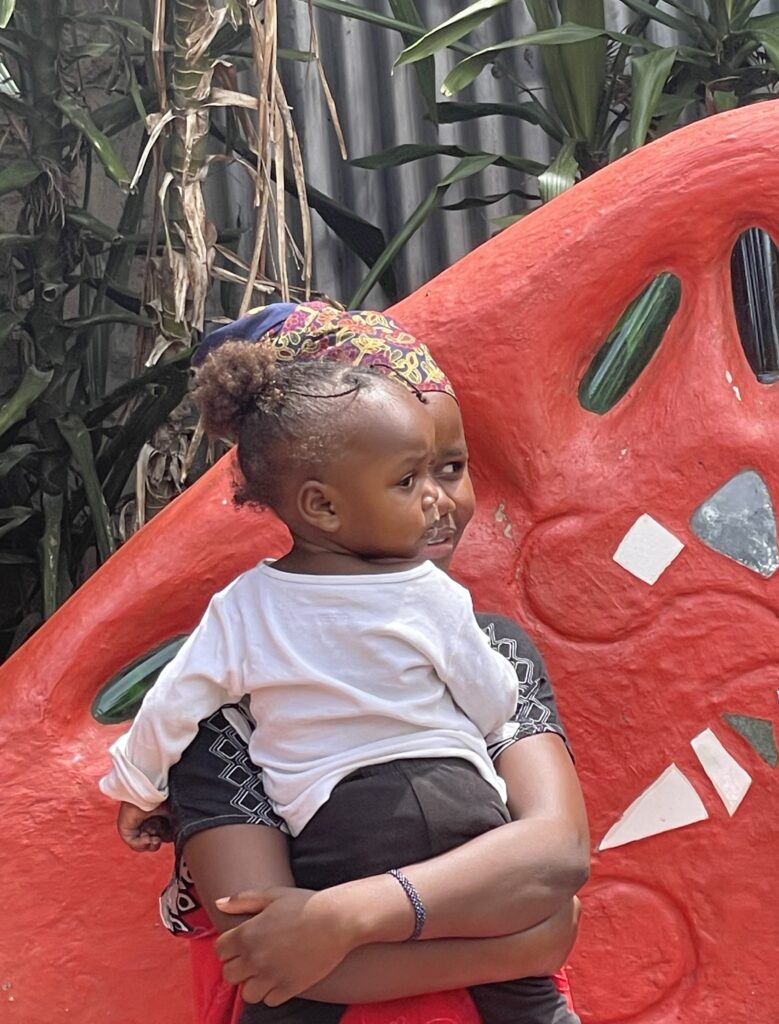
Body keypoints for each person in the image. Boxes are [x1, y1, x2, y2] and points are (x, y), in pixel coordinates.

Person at [118, 304, 589, 1024]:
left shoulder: (487, 643)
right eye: (405, 477)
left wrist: (344, 917)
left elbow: (555, 853)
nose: (437, 500)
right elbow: (268, 956)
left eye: (451, 468)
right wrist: (521, 948)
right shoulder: (229, 697)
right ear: (322, 502)